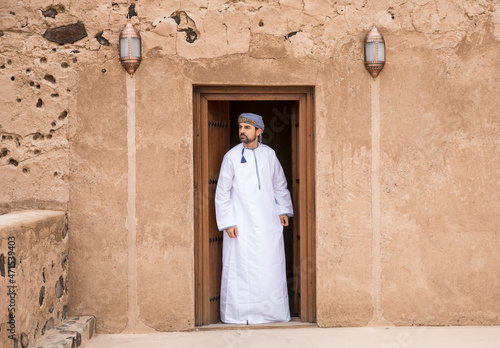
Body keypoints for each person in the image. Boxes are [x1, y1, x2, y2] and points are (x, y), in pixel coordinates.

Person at [215, 112, 293, 324]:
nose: (242, 131)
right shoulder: (231, 157)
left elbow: (279, 184)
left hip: (268, 222)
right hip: (241, 224)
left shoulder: (269, 154)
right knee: (241, 267)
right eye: (240, 127)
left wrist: (283, 210)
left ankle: (271, 314)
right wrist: (228, 222)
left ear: (259, 131)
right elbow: (222, 192)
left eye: (247, 128)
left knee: (269, 266)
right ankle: (240, 315)